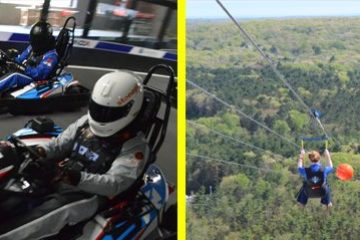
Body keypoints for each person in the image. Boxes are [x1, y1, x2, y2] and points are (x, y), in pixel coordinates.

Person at [0, 71, 150, 240]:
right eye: (98, 109)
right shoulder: (86, 122)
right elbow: (59, 144)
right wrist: (40, 152)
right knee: (15, 184)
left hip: (90, 194)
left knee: (55, 210)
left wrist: (73, 177)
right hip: (63, 174)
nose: (101, 116)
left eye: (109, 113)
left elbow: (114, 184)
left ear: (131, 110)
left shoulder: (135, 147)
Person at [0, 20, 58, 92]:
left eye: (36, 41)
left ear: (44, 41)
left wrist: (21, 68)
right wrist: (7, 59)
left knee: (15, 76)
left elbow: (39, 74)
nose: (33, 43)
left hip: (34, 79)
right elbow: (20, 59)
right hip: (24, 71)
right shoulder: (32, 47)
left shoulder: (51, 56)